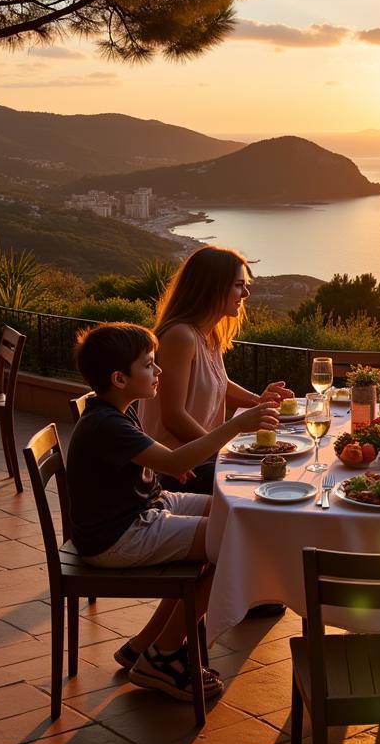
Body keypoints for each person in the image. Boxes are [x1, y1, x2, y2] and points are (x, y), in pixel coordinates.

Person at [66, 321, 279, 702]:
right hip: (118, 534)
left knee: (235, 513)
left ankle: (143, 645)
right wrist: (237, 424)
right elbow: (176, 457)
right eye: (149, 364)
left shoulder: (116, 409)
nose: (158, 370)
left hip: (141, 507)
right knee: (235, 540)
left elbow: (164, 460)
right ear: (119, 377)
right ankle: (163, 655)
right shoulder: (107, 424)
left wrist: (172, 462)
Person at [137, 246, 294, 495]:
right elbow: (173, 417)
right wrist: (223, 451)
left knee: (279, 469)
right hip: (175, 470)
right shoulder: (180, 336)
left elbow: (220, 384)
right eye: (239, 285)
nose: (246, 293)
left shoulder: (209, 335)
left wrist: (258, 401)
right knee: (268, 485)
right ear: (212, 287)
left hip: (202, 459)